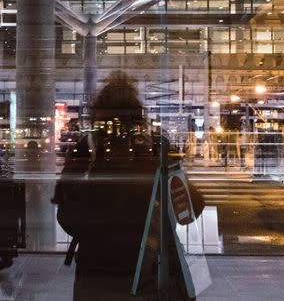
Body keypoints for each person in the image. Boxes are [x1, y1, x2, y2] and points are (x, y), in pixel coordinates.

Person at [53, 71, 203, 300]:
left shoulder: (85, 149)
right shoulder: (155, 148)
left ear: (97, 117)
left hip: (97, 273)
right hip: (149, 268)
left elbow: (66, 216)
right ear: (138, 116)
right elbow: (191, 207)